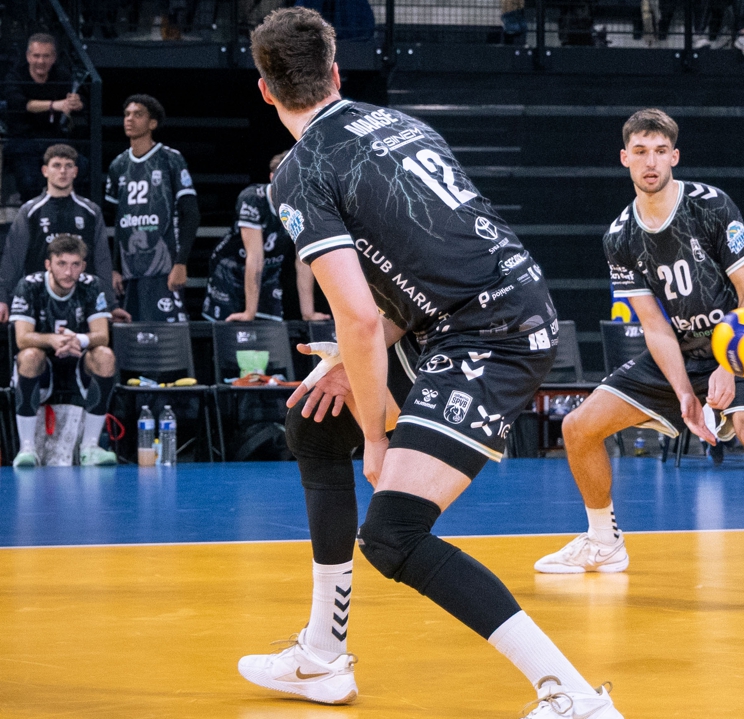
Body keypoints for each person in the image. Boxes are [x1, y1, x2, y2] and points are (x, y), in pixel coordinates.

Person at [240, 9, 621, 718]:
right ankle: (322, 656)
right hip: (483, 312)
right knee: (315, 424)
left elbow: (356, 316)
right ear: (336, 72)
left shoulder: (299, 172)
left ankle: (573, 696)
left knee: (393, 534)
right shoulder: (402, 124)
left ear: (265, 91)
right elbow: (422, 276)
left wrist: (376, 434)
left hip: (489, 336)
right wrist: (352, 364)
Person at [534, 109, 744, 606]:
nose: (650, 162)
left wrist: (727, 365)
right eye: (640, 151)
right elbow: (654, 325)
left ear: (674, 156)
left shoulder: (710, 205)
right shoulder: (619, 236)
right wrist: (683, 394)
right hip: (678, 349)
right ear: (624, 158)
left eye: (660, 151)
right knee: (579, 427)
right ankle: (603, 542)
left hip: (742, 342)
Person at [10, 234, 118, 467]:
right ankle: (27, 448)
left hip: (78, 359)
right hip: (43, 364)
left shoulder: (92, 285)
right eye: (62, 264)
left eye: (75, 264)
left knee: (105, 356)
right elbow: (22, 338)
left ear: (83, 266)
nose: (69, 272)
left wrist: (77, 339)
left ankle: (90, 447)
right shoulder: (29, 286)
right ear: (48, 264)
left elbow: (102, 335)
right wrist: (53, 340)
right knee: (29, 355)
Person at [103, 95, 199, 322]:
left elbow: (191, 214)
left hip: (163, 266)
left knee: (167, 333)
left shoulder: (170, 159)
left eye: (138, 114)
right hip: (129, 269)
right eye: (127, 114)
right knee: (132, 333)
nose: (130, 119)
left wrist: (181, 263)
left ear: (152, 123)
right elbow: (117, 222)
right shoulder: (118, 165)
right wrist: (115, 268)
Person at [0, 144, 117, 322]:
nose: (63, 171)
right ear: (45, 171)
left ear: (75, 172)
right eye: (56, 165)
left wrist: (111, 303)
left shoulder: (91, 211)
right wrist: (3, 298)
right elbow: (13, 259)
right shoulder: (30, 211)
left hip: (83, 299)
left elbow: (102, 261)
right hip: (40, 298)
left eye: (68, 166)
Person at [203, 152, 317, 322]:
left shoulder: (304, 205)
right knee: (229, 328)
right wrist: (250, 312)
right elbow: (255, 258)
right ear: (272, 177)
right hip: (231, 269)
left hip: (269, 272)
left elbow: (303, 260)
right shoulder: (252, 198)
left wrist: (308, 313)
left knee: (270, 329)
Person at [2, 34, 84, 202]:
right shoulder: (15, 76)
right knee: (29, 181)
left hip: (54, 139)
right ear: (28, 56)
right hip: (23, 140)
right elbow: (20, 104)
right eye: (36, 56)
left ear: (54, 57)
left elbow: (78, 102)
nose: (41, 61)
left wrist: (76, 103)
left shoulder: (61, 75)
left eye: (46, 56)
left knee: (81, 167)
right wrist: (54, 105)